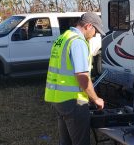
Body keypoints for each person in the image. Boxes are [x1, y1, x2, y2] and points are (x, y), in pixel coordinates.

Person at [44, 12, 105, 145]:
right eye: (95, 31)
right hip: (74, 101)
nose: (95, 35)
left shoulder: (63, 38)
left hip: (59, 99)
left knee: (66, 142)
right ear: (89, 26)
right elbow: (82, 77)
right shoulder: (78, 42)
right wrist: (96, 99)